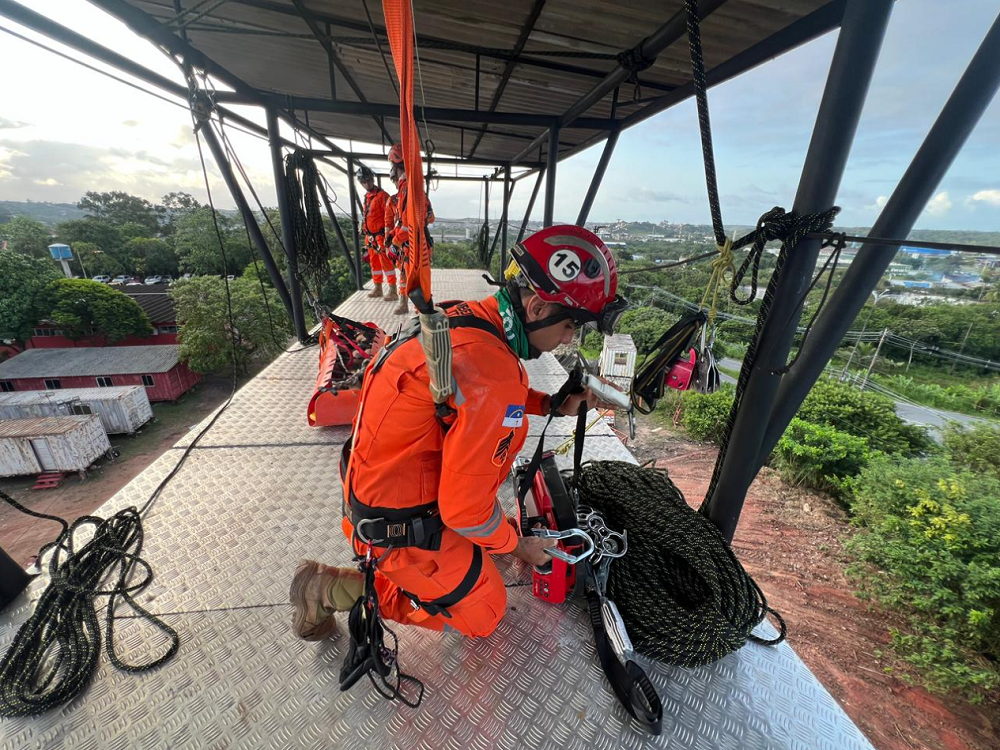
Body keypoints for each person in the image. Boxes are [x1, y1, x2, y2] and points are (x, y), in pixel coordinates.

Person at [289, 224, 628, 641]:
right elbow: (465, 511)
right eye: (571, 326)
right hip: (400, 533)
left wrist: (551, 404)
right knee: (485, 613)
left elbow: (470, 394)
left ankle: (471, 549)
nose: (566, 340)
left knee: (495, 529)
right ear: (538, 308)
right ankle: (332, 588)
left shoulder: (468, 317)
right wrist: (518, 547)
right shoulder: (493, 372)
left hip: (385, 495)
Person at [383, 143, 435, 315]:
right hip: (412, 244)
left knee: (417, 281)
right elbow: (423, 218)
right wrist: (392, 238)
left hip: (413, 244)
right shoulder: (409, 190)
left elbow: (408, 224)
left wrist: (395, 243)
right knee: (409, 277)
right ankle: (412, 308)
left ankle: (421, 315)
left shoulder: (408, 190)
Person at [356, 165, 392, 299]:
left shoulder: (383, 196)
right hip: (370, 237)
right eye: (364, 181)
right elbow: (368, 215)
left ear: (373, 179)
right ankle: (378, 288)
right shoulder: (367, 197)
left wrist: (388, 235)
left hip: (381, 236)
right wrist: (363, 228)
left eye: (369, 180)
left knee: (385, 262)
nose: (367, 183)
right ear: (361, 183)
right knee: (374, 263)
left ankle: (393, 290)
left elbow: (390, 216)